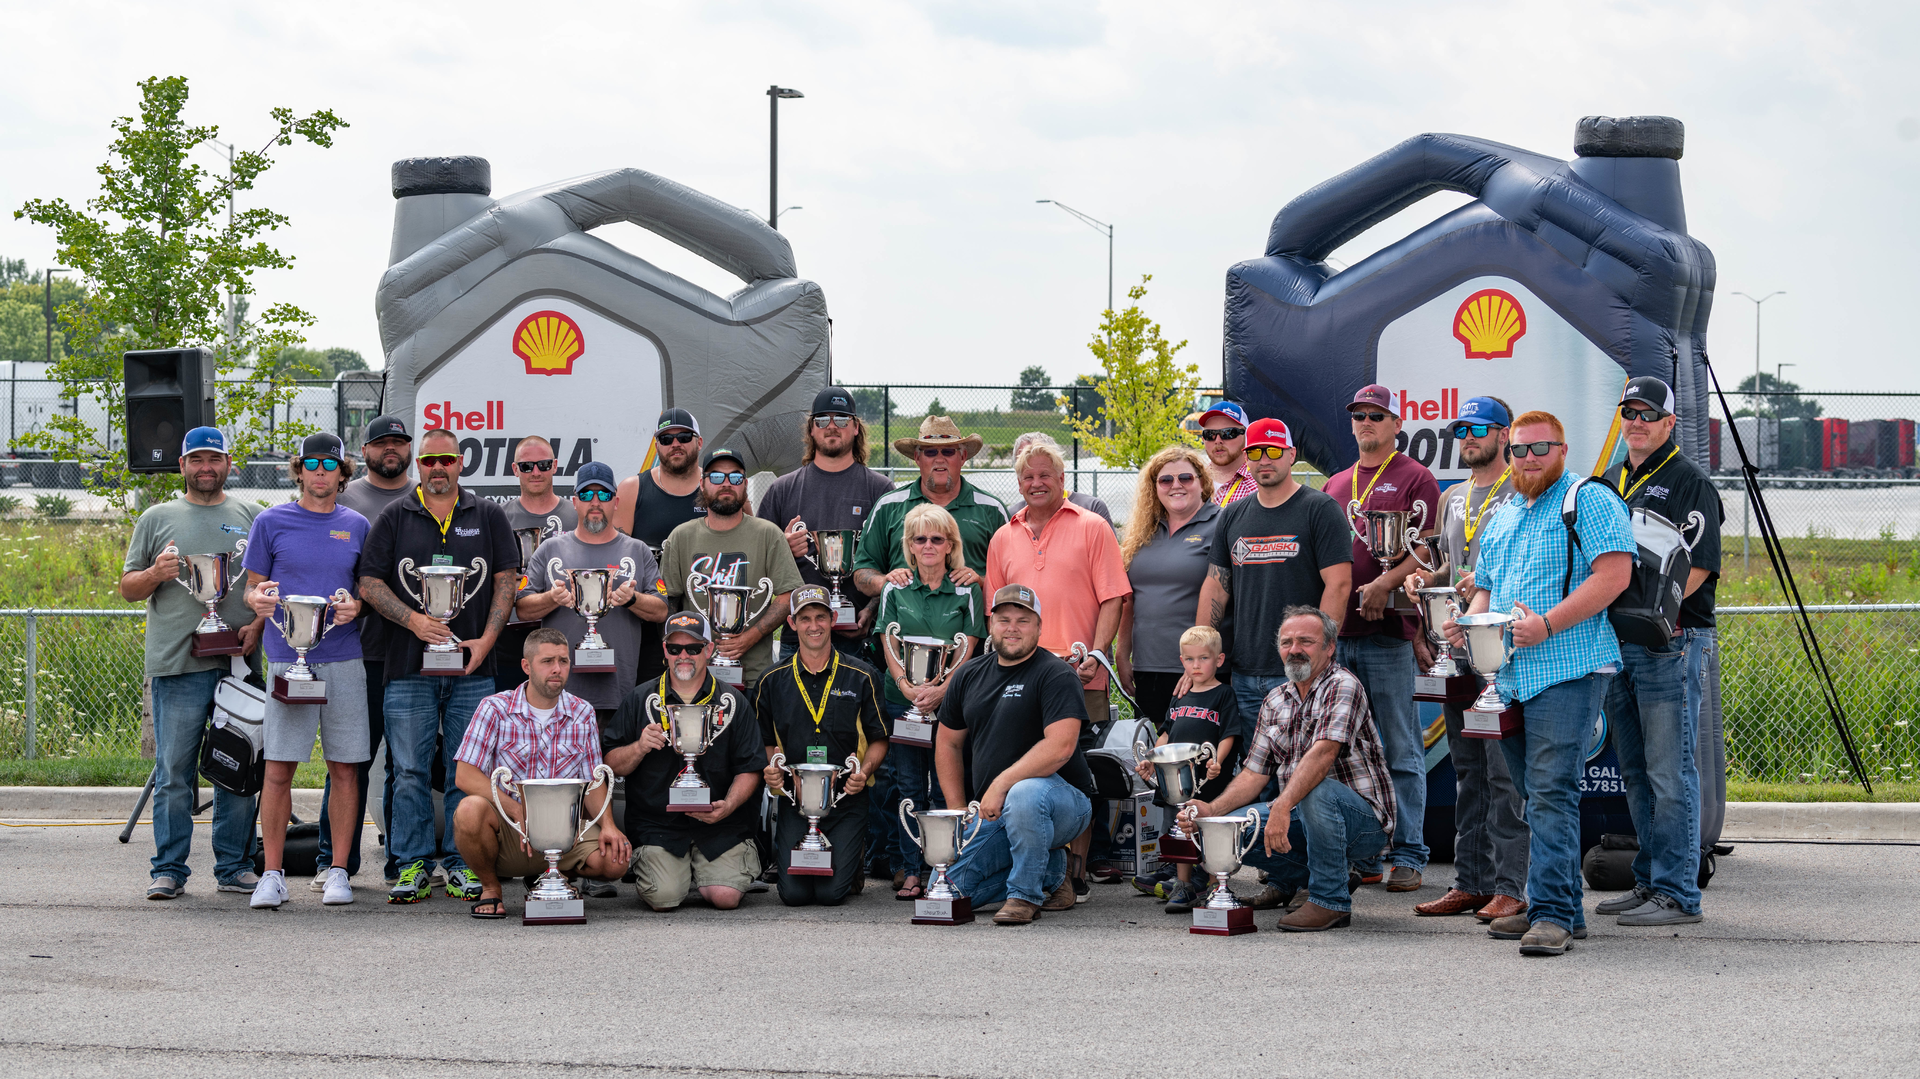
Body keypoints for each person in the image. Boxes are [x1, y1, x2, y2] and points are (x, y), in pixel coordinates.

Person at [1442, 409, 1633, 957]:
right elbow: (1490, 587)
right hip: (1512, 676)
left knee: (1550, 791)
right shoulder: (1505, 513)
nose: (1529, 459)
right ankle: (1564, 908)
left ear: (1563, 449)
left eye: (1540, 448)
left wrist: (1547, 625)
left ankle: (1548, 914)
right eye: (1521, 450)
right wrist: (1468, 624)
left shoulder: (1589, 499)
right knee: (1533, 795)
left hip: (1570, 667)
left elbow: (1614, 576)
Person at [358, 428, 521, 904]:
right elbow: (369, 583)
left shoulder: (487, 515)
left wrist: (486, 642)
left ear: (460, 463)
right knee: (407, 770)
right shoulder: (394, 515)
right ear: (419, 465)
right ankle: (410, 865)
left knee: (464, 772)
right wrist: (414, 621)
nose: (437, 469)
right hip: (408, 669)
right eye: (429, 461)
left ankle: (461, 863)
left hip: (473, 672)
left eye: (446, 460)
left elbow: (506, 582)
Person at [1592, 376, 1723, 927]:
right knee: (1640, 773)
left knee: (1672, 773)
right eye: (1630, 413)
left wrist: (1657, 622)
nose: (1638, 422)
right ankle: (1649, 881)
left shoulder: (1690, 481)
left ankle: (1679, 893)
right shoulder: (1607, 480)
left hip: (1672, 643)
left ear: (1671, 423)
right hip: (1618, 643)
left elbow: (1697, 569)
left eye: (1649, 414)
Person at [1182, 607, 1396, 932]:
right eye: (1287, 642)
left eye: (1306, 641)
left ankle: (1330, 900)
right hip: (1303, 813)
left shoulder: (1342, 684)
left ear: (1329, 647)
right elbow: (1254, 774)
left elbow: (1323, 754)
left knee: (1315, 790)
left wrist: (1281, 805)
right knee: (1237, 830)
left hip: (1362, 822)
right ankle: (1325, 876)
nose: (1294, 649)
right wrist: (1211, 811)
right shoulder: (1274, 700)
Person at [119, 426, 263, 901]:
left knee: (238, 767)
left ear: (228, 464)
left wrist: (257, 628)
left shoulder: (253, 516)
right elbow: (128, 588)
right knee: (173, 771)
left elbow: (267, 587)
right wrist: (155, 573)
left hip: (237, 666)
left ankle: (235, 866)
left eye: (214, 459)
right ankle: (169, 869)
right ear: (182, 465)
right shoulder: (156, 518)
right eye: (197, 460)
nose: (206, 467)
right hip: (177, 666)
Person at [1402, 396, 1529, 923]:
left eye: (1479, 427)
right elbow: (1448, 565)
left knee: (1504, 773)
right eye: (1460, 428)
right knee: (1467, 770)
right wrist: (1421, 580)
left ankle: (1512, 885)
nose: (1467, 436)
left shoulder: (1522, 491)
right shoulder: (1453, 496)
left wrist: (1487, 584)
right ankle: (1470, 881)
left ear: (1504, 435)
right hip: (1454, 645)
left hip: (1501, 647)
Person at [241, 433, 370, 909]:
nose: (320, 471)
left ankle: (337, 870)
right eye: (311, 463)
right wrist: (258, 601)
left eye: (330, 464)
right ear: (298, 470)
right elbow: (253, 591)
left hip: (343, 659)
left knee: (344, 768)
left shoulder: (357, 525)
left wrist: (356, 607)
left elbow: (364, 591)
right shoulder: (270, 521)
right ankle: (271, 874)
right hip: (287, 659)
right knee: (278, 770)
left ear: (342, 472)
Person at [1321, 384, 1441, 893]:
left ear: (1397, 424)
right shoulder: (1336, 484)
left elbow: (1430, 552)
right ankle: (1363, 852)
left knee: (1399, 747)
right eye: (1359, 416)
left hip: (1387, 634)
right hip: (1336, 636)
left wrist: (1386, 583)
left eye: (1377, 415)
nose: (1366, 422)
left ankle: (1410, 852)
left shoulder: (1416, 477)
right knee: (1340, 751)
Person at [937, 585, 1096, 925]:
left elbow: (1061, 747)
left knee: (1025, 791)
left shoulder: (1056, 674)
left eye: (1023, 621)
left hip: (1063, 805)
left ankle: (1024, 895)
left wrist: (1001, 783)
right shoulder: (967, 674)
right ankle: (1053, 873)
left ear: (1039, 626)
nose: (1012, 628)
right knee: (948, 890)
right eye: (1004, 619)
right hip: (994, 812)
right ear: (990, 624)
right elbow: (948, 743)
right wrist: (958, 812)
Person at [450, 629, 632, 919]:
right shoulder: (494, 708)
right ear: (526, 666)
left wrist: (608, 825)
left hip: (565, 830)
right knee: (469, 811)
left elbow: (594, 782)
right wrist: (516, 809)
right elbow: (465, 774)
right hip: (512, 829)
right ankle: (490, 888)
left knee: (615, 860)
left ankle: (553, 878)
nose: (557, 669)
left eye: (563, 661)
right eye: (547, 661)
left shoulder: (582, 711)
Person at [602, 612, 765, 911]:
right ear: (665, 651)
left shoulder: (732, 701)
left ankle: (708, 870)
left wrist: (728, 805)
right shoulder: (640, 699)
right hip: (658, 825)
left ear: (709, 650)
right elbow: (610, 763)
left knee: (725, 897)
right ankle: (673, 869)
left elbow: (751, 767)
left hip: (720, 825)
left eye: (694, 648)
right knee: (664, 898)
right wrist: (639, 747)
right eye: (675, 649)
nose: (684, 656)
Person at [1196, 417, 1353, 724]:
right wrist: (1202, 655)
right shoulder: (1232, 516)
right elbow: (1216, 586)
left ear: (1292, 454)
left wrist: (1320, 655)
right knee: (1256, 768)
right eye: (1255, 452)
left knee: (1305, 768)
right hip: (1245, 674)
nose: (1264, 460)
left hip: (1302, 669)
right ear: (1246, 457)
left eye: (1273, 451)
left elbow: (1339, 586)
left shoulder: (1320, 509)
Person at [320, 413, 416, 887]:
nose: (391, 450)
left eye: (400, 442)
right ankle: (332, 861)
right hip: (354, 649)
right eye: (382, 443)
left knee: (402, 763)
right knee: (348, 760)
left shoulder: (425, 498)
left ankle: (403, 862)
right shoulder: (346, 499)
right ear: (366, 451)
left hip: (410, 650)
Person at [872, 503, 986, 900]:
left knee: (944, 784)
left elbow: (970, 647)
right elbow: (888, 641)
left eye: (937, 538)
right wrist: (905, 685)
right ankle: (911, 869)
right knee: (906, 784)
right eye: (920, 539)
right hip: (900, 701)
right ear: (909, 545)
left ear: (951, 543)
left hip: (948, 704)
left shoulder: (967, 589)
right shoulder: (895, 587)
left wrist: (942, 690)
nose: (929, 545)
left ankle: (947, 866)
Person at [754, 585, 890, 905]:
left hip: (846, 798)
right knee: (794, 895)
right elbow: (766, 741)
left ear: (832, 619)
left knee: (830, 895)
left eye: (820, 617)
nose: (813, 626)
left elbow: (879, 739)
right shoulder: (771, 680)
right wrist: (772, 770)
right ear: (792, 624)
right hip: (795, 800)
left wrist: (864, 772)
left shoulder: (862, 676)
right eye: (805, 619)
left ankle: (851, 859)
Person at [515, 461, 668, 725]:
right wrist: (551, 598)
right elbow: (522, 607)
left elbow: (662, 609)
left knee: (613, 766)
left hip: (619, 691)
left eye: (604, 495)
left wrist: (632, 599)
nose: (595, 502)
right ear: (574, 501)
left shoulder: (637, 550)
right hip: (559, 693)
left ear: (616, 501)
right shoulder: (550, 549)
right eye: (586, 495)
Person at [755, 386, 895, 658]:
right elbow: (758, 566)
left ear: (855, 427)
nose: (832, 426)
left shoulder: (881, 490)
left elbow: (895, 565)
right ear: (811, 429)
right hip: (797, 639)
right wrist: (781, 549)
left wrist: (871, 610)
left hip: (860, 641)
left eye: (842, 419)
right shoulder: (782, 490)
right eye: (822, 420)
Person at [659, 446, 804, 691]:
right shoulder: (681, 537)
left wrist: (751, 636)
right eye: (716, 476)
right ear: (702, 484)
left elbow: (789, 593)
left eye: (735, 477)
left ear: (745, 484)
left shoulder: (768, 534)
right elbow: (668, 601)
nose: (726, 483)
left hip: (754, 677)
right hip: (692, 677)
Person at [1131, 625, 1247, 913]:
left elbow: (1229, 733)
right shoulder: (1180, 695)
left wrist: (1217, 761)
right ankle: (1183, 885)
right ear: (1181, 661)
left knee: (1208, 831)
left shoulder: (1224, 694)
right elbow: (1166, 733)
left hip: (1207, 782)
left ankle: (1213, 884)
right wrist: (1151, 760)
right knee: (1179, 829)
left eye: (1204, 659)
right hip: (1176, 780)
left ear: (1219, 660)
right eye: (1190, 659)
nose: (1197, 666)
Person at [1116, 444, 1219, 733]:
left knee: (1197, 754)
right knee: (1158, 757)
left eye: (1185, 478)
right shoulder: (1143, 532)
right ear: (1155, 487)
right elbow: (1130, 598)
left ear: (1202, 482)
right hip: (1149, 664)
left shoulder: (1220, 524)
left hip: (1200, 667)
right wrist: (1122, 654)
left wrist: (1198, 661)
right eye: (1165, 479)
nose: (1176, 485)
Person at [851, 416, 1010, 596]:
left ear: (963, 456)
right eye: (930, 452)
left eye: (948, 451)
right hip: (902, 621)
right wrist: (886, 582)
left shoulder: (992, 509)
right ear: (917, 457)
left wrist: (980, 581)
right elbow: (862, 571)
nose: (939, 459)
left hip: (970, 621)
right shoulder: (888, 506)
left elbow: (1012, 574)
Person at [615, 408, 709, 685]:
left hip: (706, 619)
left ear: (699, 442)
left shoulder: (716, 487)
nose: (675, 444)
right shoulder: (633, 488)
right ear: (657, 445)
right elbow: (617, 557)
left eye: (684, 436)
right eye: (666, 439)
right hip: (645, 624)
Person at [497, 435, 580, 694]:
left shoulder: (576, 515)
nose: (535, 472)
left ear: (555, 466)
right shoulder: (497, 517)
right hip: (509, 637)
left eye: (543, 465)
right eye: (526, 466)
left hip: (564, 634)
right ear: (515, 469)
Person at [1010, 431, 1112, 525]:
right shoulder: (1012, 518)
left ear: (1060, 476)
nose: (1036, 483)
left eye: (1044, 474)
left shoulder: (1092, 508)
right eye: (1023, 460)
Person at [1198, 401, 1257, 506]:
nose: (1218, 440)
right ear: (1203, 439)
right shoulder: (1191, 481)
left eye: (1228, 433)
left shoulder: (1260, 484)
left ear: (1247, 436)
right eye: (1210, 434)